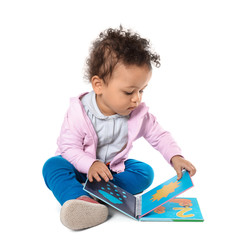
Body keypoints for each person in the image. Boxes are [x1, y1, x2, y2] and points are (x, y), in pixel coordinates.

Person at [42, 26, 196, 230]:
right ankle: (77, 199)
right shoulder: (79, 112)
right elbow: (69, 148)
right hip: (76, 165)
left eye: (141, 90)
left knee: (144, 172)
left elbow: (159, 136)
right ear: (99, 85)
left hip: (109, 171)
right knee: (52, 166)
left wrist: (175, 156)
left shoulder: (138, 114)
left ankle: (96, 195)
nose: (136, 99)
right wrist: (90, 164)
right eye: (128, 92)